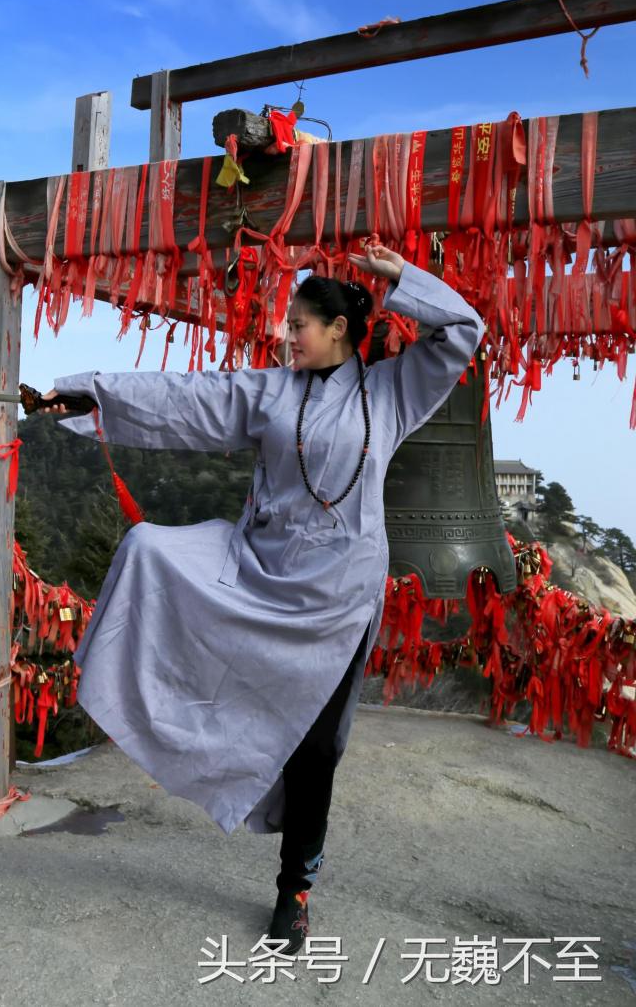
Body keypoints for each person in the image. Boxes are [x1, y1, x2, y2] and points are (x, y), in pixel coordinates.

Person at [37, 239, 485, 954]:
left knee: (313, 750)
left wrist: (402, 279)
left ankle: (295, 892)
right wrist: (90, 392)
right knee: (151, 547)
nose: (284, 335)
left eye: (298, 325)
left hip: (336, 602)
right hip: (257, 570)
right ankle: (132, 697)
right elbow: (185, 400)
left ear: (337, 329)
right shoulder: (269, 392)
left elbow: (464, 332)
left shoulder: (395, 391)